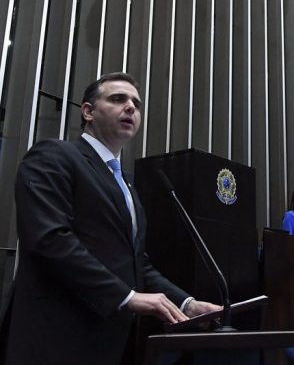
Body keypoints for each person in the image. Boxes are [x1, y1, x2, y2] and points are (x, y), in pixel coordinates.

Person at [4, 72, 220, 364]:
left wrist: (186, 303)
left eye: (136, 104)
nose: (130, 107)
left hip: (110, 343)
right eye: (118, 99)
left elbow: (136, 264)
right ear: (88, 112)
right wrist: (127, 296)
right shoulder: (54, 156)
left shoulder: (126, 186)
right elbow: (49, 240)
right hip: (55, 337)